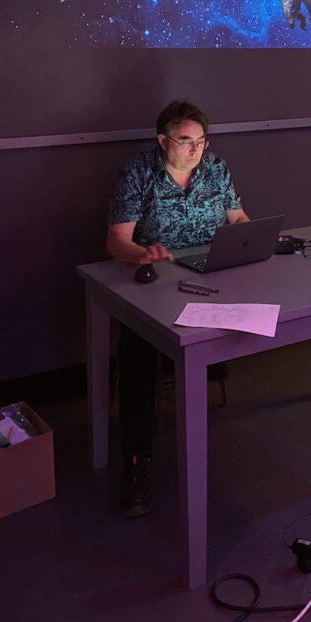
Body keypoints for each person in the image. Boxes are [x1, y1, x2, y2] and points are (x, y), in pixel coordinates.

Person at [106, 99, 249, 517]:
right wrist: (142, 254)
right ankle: (137, 460)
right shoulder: (139, 172)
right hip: (157, 275)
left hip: (212, 272)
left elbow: (238, 219)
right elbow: (116, 240)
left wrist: (249, 237)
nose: (195, 150)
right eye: (186, 141)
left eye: (201, 141)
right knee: (137, 350)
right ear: (163, 140)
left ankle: (208, 363)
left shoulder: (215, 168)